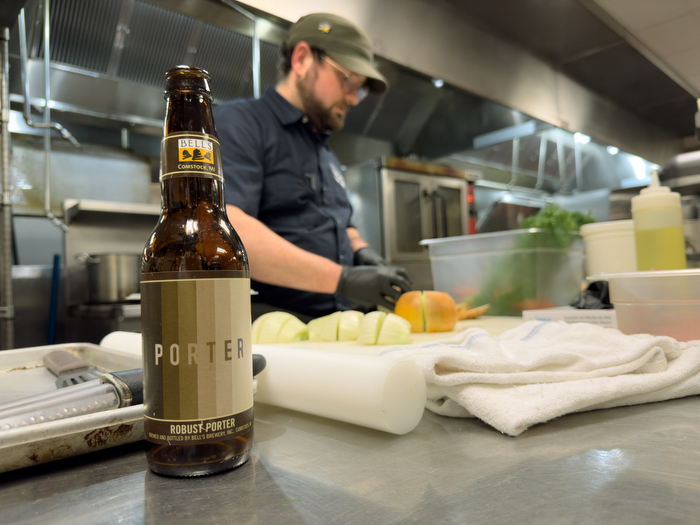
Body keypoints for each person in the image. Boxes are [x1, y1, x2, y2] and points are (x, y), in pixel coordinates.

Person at [214, 12, 412, 322]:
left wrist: (362, 252)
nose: (354, 99)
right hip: (277, 330)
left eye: (359, 88)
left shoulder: (326, 153)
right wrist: (342, 279)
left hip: (340, 325)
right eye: (348, 80)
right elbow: (227, 228)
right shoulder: (241, 123)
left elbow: (343, 224)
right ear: (302, 59)